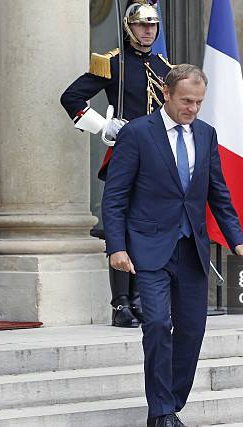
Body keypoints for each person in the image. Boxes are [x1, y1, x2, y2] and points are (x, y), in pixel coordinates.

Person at [102, 64, 243, 427]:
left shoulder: (206, 134)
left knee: (192, 329)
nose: (193, 109)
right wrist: (116, 248)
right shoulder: (137, 133)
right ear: (166, 94)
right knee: (155, 324)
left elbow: (218, 192)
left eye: (199, 102)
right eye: (187, 101)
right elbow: (115, 197)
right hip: (149, 247)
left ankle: (171, 401)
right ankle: (162, 412)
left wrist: (237, 239)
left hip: (192, 250)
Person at [61, 0, 173, 328]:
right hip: (125, 155)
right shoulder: (112, 63)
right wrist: (102, 126)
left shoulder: (167, 68)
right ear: (128, 27)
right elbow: (71, 97)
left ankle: (140, 298)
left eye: (152, 25)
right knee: (120, 230)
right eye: (141, 25)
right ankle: (120, 303)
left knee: (147, 230)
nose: (148, 31)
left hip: (157, 161)